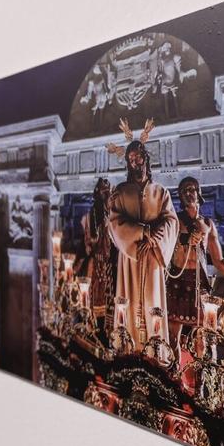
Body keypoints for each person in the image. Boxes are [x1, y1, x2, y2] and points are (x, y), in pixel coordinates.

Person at [107, 136, 178, 344]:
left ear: (145, 158)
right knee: (127, 301)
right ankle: (127, 347)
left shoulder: (160, 192)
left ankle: (154, 349)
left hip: (153, 255)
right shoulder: (121, 191)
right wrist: (142, 231)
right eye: (131, 159)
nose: (135, 162)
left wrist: (155, 237)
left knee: (152, 300)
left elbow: (171, 221)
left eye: (138, 157)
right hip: (131, 256)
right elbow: (114, 221)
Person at [166, 176, 224, 347]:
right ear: (180, 197)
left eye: (192, 189)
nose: (188, 194)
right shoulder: (175, 220)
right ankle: (173, 370)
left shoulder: (208, 224)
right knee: (173, 335)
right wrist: (185, 240)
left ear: (198, 193)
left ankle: (203, 372)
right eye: (184, 191)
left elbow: (218, 261)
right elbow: (165, 246)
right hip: (177, 281)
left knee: (203, 335)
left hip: (199, 283)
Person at [80, 177, 116, 317]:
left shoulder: (112, 212)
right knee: (95, 293)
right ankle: (93, 323)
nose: (106, 193)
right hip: (96, 260)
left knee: (110, 293)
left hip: (109, 261)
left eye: (108, 191)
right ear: (98, 192)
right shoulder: (92, 215)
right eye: (103, 190)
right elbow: (91, 241)